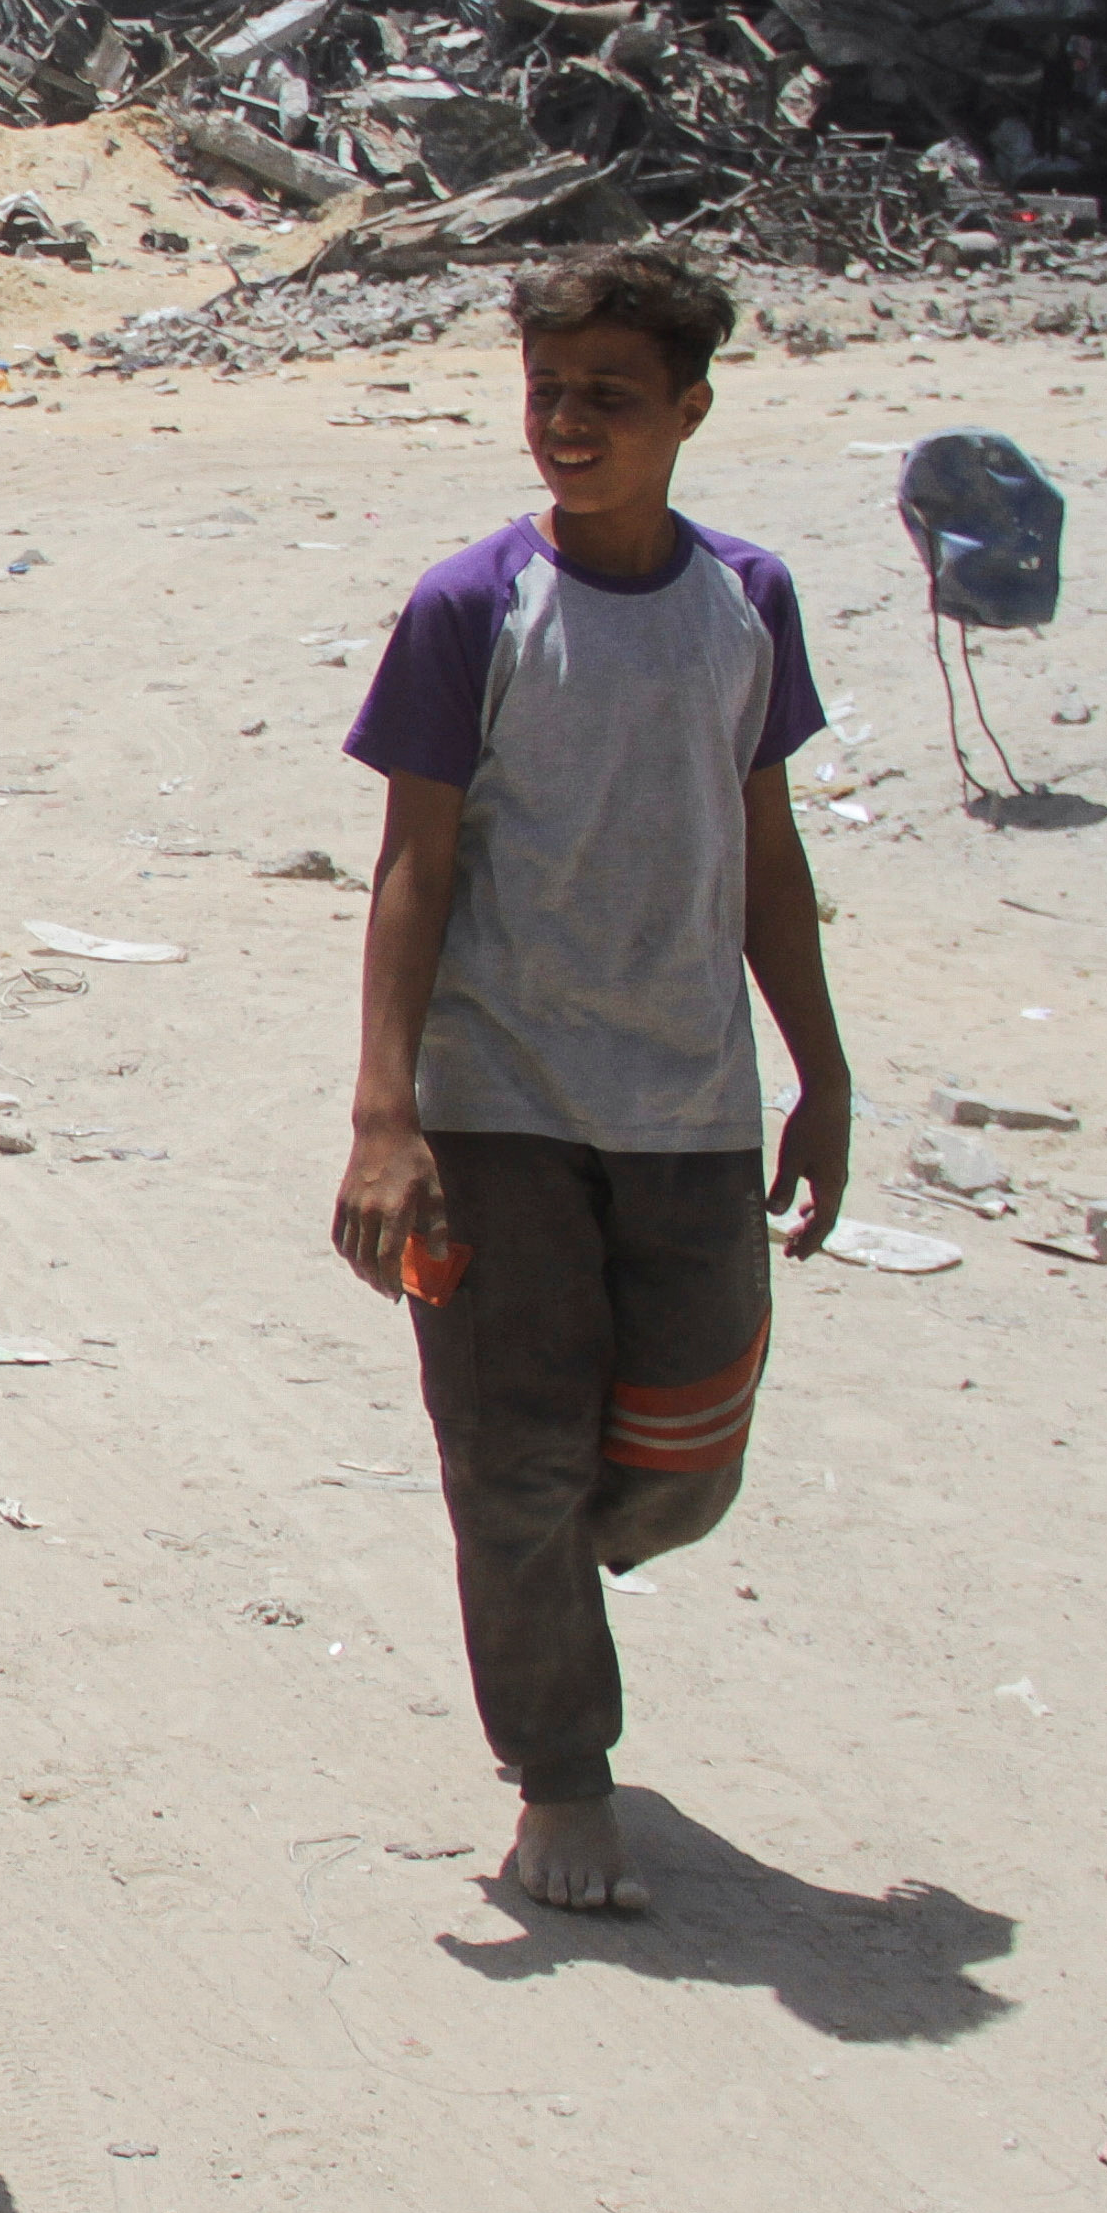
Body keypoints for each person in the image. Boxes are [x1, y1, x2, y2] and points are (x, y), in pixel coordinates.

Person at [330, 249, 850, 1920]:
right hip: (497, 1105)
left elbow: (766, 850)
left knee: (685, 1459)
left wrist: (822, 1068)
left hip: (689, 1099)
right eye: (547, 391)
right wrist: (385, 1114)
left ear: (689, 410)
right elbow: (413, 865)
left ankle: (555, 1553)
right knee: (513, 1459)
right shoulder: (470, 605)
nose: (567, 421)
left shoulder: (747, 600)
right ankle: (562, 1769)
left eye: (609, 396)